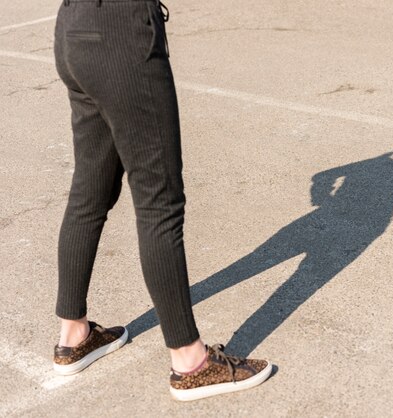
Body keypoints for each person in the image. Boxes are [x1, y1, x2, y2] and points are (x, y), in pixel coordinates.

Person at [52, 0, 272, 401]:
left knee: (90, 189)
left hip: (74, 26)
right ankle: (190, 362)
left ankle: (74, 336)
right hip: (123, 33)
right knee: (159, 202)